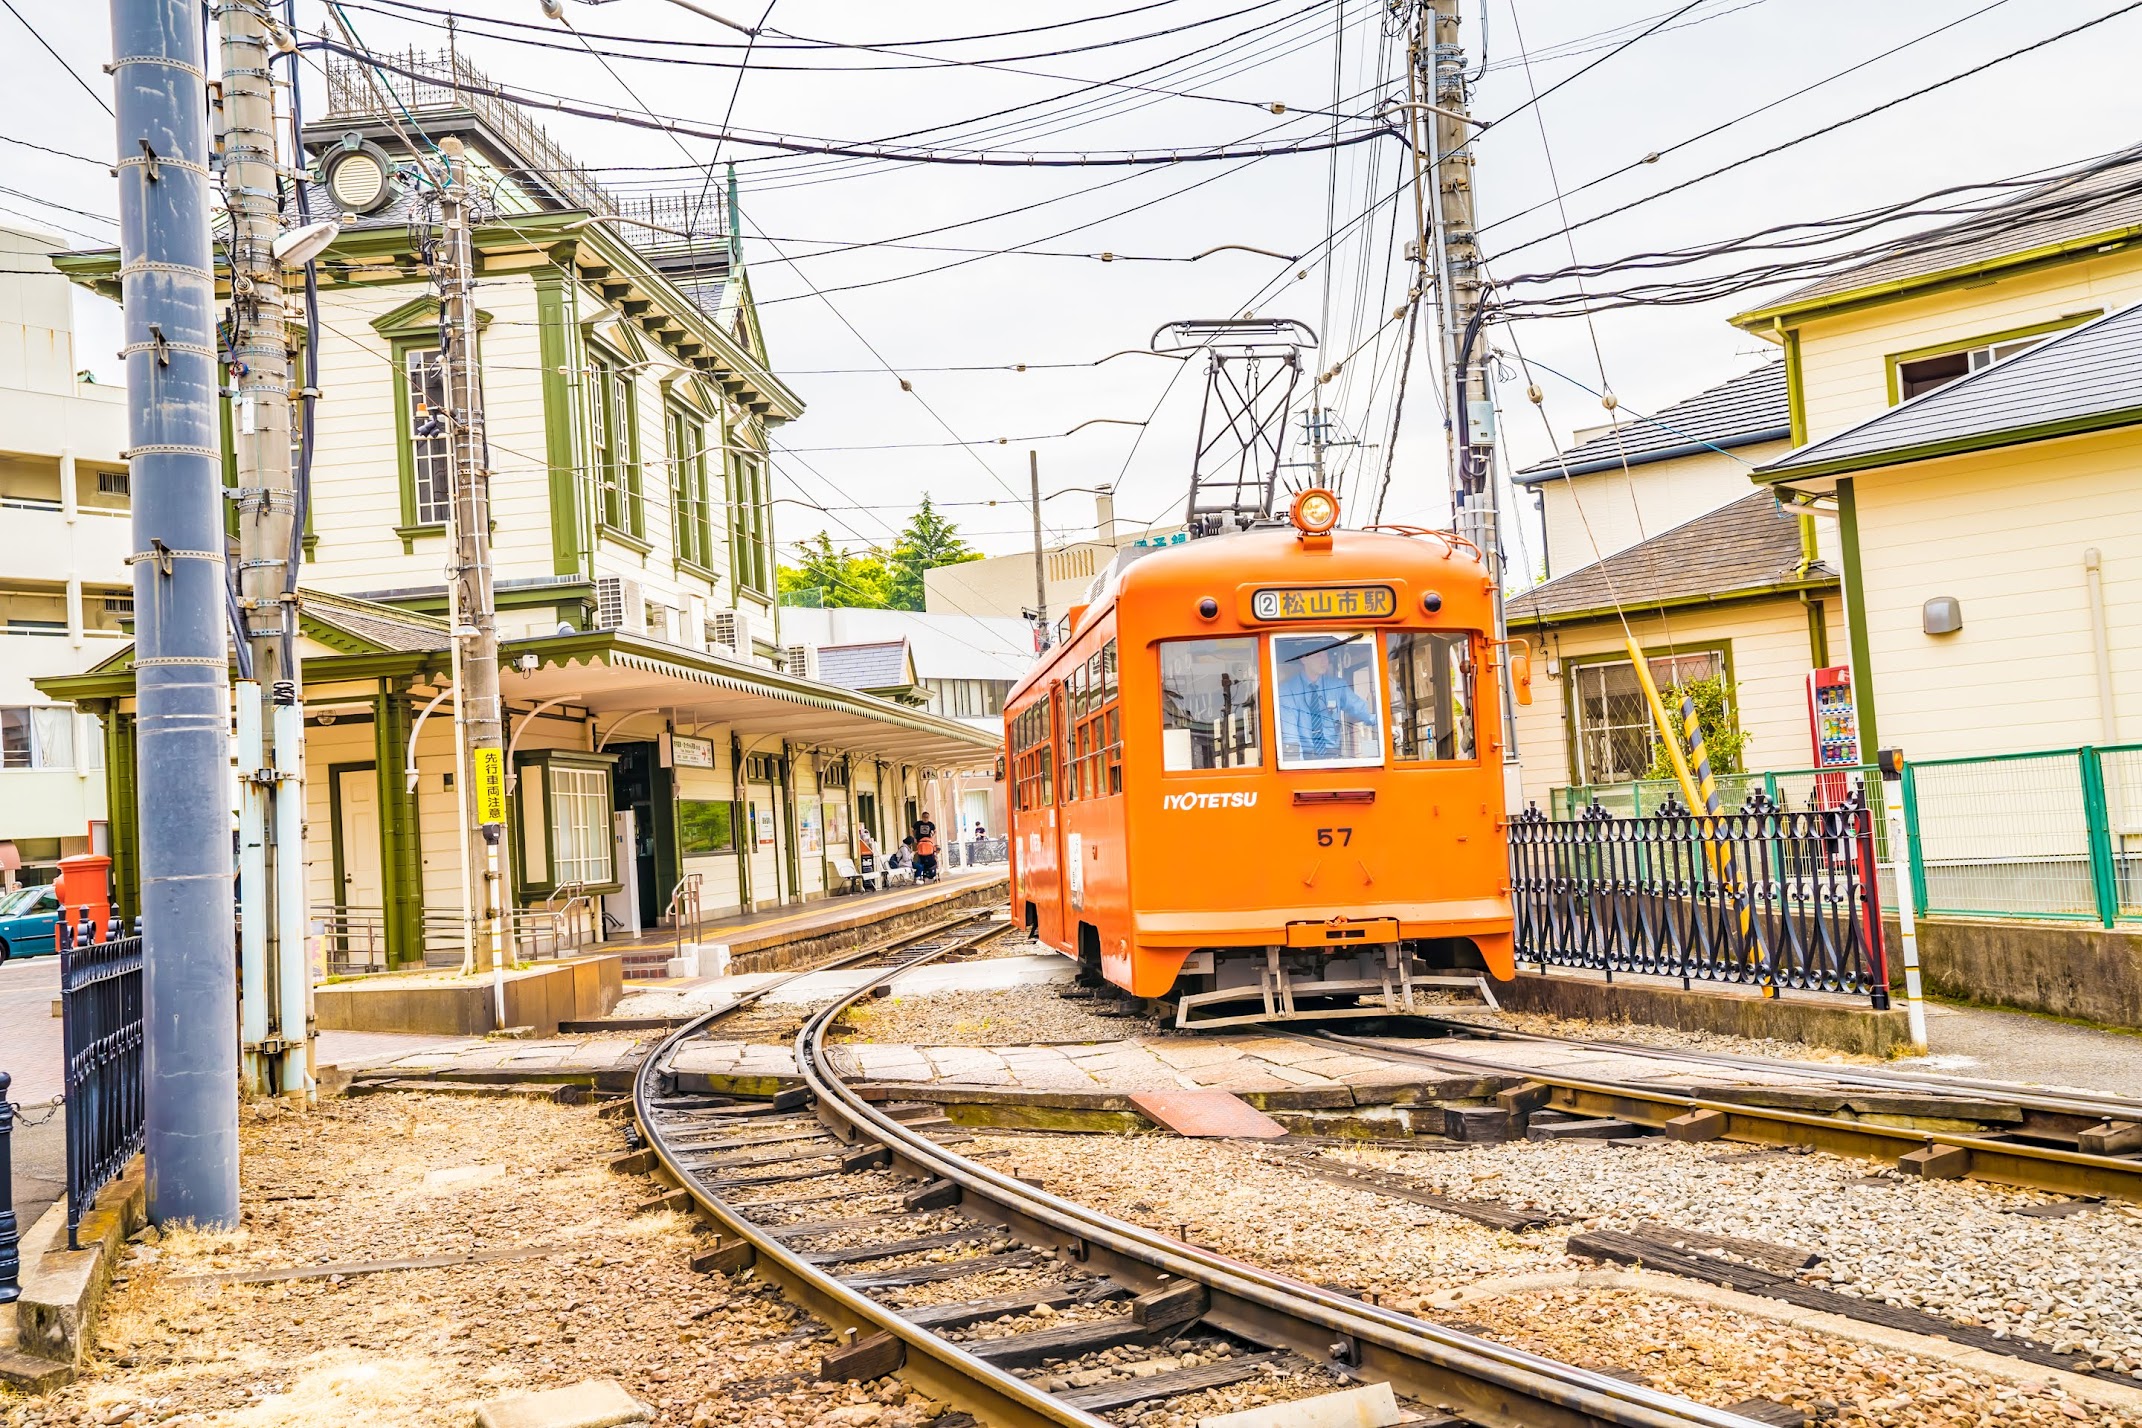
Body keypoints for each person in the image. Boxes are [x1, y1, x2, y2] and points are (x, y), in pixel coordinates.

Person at [1275, 636, 1380, 762]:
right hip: (1304, 759)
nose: (1325, 661)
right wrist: (1298, 767)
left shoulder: (1337, 686)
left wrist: (1383, 722)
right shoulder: (1287, 691)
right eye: (1319, 655)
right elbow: (1290, 735)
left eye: (1326, 655)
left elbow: (1361, 710)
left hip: (1334, 757)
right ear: (1304, 658)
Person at [912, 815, 939, 882]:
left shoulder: (931, 824)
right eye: (924, 817)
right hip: (920, 843)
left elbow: (935, 830)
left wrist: (932, 836)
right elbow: (912, 829)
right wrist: (914, 837)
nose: (926, 818)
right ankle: (921, 875)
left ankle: (930, 873)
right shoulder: (918, 823)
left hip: (928, 843)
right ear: (922, 817)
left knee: (929, 858)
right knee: (921, 858)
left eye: (927, 817)